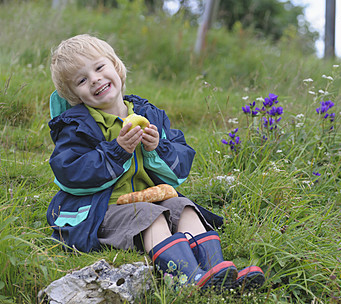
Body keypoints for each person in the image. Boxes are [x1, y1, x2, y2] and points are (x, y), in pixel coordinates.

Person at [46, 34, 265, 291]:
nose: (95, 79)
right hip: (103, 210)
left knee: (184, 207)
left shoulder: (147, 114)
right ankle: (185, 279)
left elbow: (181, 164)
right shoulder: (77, 126)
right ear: (75, 95)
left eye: (99, 67)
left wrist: (156, 147)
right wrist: (117, 151)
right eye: (81, 80)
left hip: (149, 197)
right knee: (150, 215)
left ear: (115, 66)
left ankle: (216, 272)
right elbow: (68, 172)